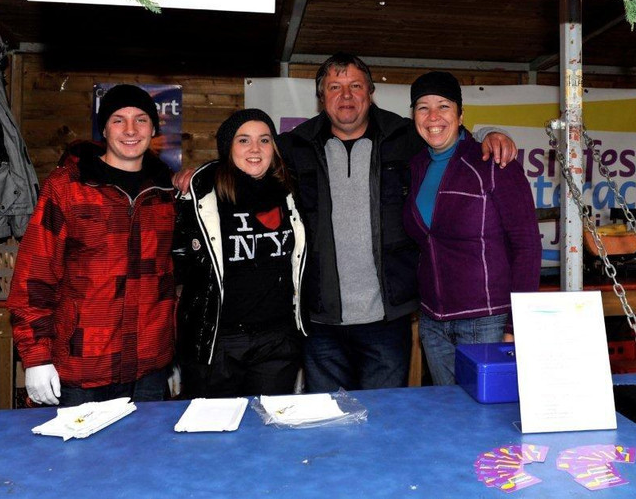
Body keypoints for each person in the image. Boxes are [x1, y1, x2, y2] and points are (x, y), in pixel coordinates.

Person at [275, 53, 517, 392]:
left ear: (370, 92)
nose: (346, 96)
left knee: (387, 416)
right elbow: (248, 159)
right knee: (328, 417)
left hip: (388, 320)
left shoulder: (405, 137)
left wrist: (492, 133)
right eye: (335, 87)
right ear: (321, 96)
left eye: (355, 86)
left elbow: (452, 136)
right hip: (319, 320)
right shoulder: (294, 146)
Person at [8, 84, 177, 406]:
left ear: (154, 129)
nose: (131, 130)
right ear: (104, 129)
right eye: (118, 120)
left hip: (149, 368)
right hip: (82, 368)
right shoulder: (67, 188)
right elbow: (33, 278)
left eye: (141, 120)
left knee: (149, 442)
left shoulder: (166, 192)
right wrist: (36, 356)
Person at [402, 71, 541, 385]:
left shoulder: (493, 162)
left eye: (444, 106)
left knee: (490, 412)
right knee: (449, 412)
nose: (433, 116)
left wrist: (515, 327)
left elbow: (527, 247)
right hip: (433, 323)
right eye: (423, 107)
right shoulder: (416, 165)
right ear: (414, 117)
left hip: (488, 322)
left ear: (461, 114)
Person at [173, 109, 306, 397]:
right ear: (227, 147)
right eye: (243, 140)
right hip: (219, 342)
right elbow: (177, 258)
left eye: (264, 140)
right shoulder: (202, 194)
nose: (255, 149)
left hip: (277, 341)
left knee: (268, 423)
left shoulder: (292, 192)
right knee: (215, 424)